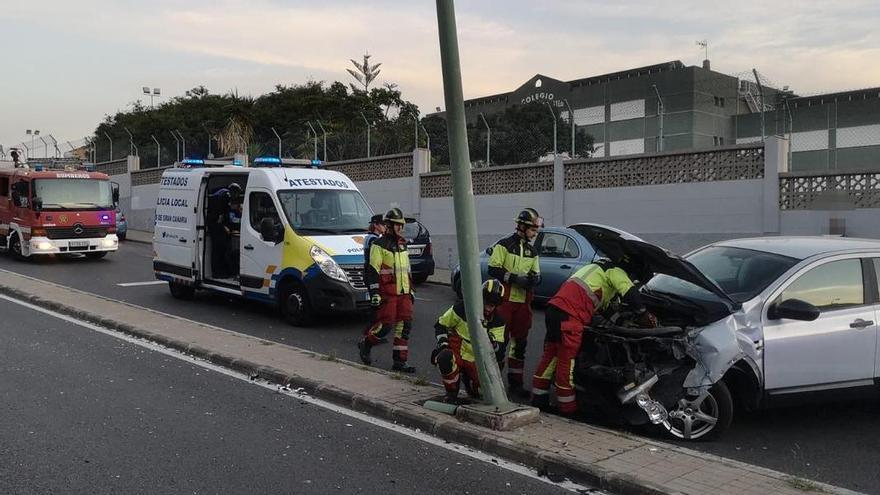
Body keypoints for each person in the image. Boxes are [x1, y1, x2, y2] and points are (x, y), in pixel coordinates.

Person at [531, 258, 657, 416]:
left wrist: (622, 321)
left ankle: (538, 398)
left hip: (554, 310)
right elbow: (629, 292)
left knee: (551, 356)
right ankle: (567, 408)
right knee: (567, 361)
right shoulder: (616, 271)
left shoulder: (596, 269)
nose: (631, 281)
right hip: (570, 315)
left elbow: (604, 309)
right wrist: (643, 313)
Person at [487, 208, 542, 397]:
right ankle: (492, 386)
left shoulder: (532, 251)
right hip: (505, 302)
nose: (535, 234)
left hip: (523, 304)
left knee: (520, 346)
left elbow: (537, 273)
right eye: (533, 230)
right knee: (499, 346)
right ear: (523, 226)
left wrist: (534, 280)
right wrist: (513, 278)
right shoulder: (504, 245)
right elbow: (493, 268)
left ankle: (515, 385)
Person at [358, 208, 416, 373]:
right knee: (386, 326)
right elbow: (373, 270)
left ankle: (399, 362)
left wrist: (411, 291)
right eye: (397, 224)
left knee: (404, 326)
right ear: (389, 225)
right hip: (388, 293)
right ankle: (366, 343)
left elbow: (407, 270)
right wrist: (375, 293)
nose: (400, 228)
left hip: (404, 293)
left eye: (401, 225)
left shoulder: (403, 245)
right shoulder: (378, 244)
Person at [431, 279, 507, 402]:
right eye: (486, 303)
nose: (488, 308)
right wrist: (443, 344)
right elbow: (441, 324)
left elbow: (499, 349)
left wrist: (492, 343)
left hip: (477, 359)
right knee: (444, 357)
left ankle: (471, 385)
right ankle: (451, 392)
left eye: (492, 306)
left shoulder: (498, 321)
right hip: (458, 351)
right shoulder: (462, 308)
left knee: (483, 394)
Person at [361, 214, 387, 342]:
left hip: (368, 272)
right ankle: (370, 333)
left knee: (376, 304)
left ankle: (372, 332)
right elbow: (375, 260)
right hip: (372, 274)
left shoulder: (369, 237)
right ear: (376, 225)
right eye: (383, 224)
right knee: (376, 305)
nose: (385, 227)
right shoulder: (374, 240)